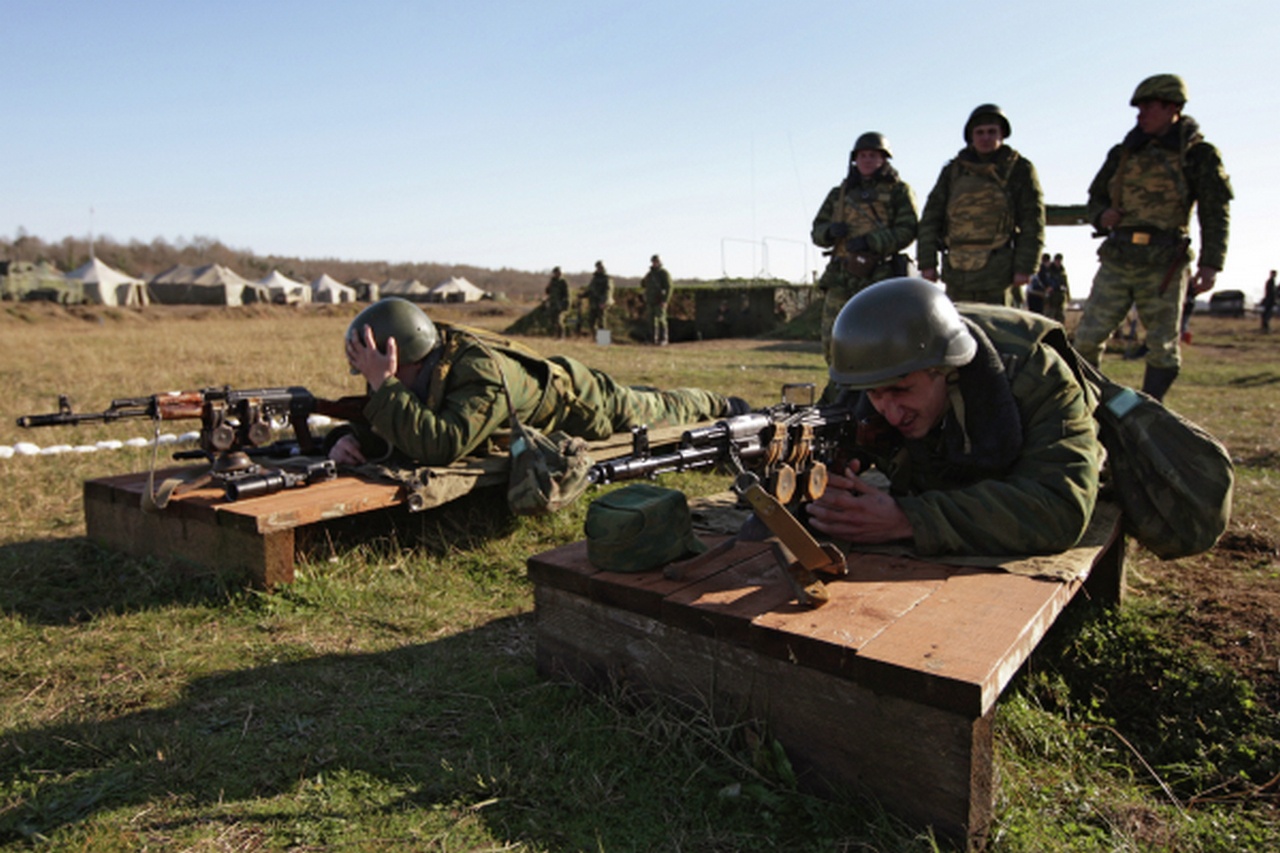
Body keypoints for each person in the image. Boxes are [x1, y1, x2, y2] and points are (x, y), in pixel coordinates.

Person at [805, 277, 1102, 557]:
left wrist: (908, 520)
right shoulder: (863, 375)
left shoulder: (1038, 379)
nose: (891, 413)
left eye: (902, 390)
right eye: (876, 396)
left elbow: (1060, 507)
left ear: (947, 370)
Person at [327, 297, 748, 467]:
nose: (374, 382)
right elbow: (389, 415)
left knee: (660, 411)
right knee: (645, 397)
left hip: (583, 403)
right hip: (548, 391)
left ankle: (721, 403)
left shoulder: (479, 373)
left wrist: (385, 385)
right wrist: (351, 438)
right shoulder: (414, 369)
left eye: (378, 372)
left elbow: (442, 444)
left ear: (399, 357)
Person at [1071, 74, 1233, 402]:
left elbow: (1214, 210)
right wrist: (1102, 216)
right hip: (1119, 256)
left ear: (1173, 107)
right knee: (1086, 339)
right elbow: (1095, 198)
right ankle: (1091, 406)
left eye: (1148, 107)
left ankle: (1148, 412)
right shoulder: (1123, 153)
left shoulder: (1197, 154)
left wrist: (1211, 263)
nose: (1140, 115)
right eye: (1139, 108)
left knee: (1162, 347)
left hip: (1165, 261)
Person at [916, 104, 1045, 306]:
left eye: (991, 132)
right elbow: (931, 218)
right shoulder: (953, 172)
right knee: (958, 331)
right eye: (980, 132)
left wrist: (1025, 266)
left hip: (1000, 273)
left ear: (1002, 135)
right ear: (971, 136)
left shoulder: (1018, 169)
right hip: (957, 272)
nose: (985, 138)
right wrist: (927, 263)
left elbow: (1032, 220)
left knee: (1001, 332)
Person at [810, 131, 918, 363]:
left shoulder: (898, 191)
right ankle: (837, 390)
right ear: (855, 159)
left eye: (873, 155)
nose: (867, 160)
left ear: (884, 159)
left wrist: (872, 242)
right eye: (863, 155)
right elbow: (817, 231)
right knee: (833, 340)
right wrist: (830, 232)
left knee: (879, 338)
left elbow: (908, 229)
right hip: (842, 275)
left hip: (879, 276)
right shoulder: (839, 194)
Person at [641, 254, 673, 345]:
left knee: (661, 319)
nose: (655, 263)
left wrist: (665, 300)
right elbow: (644, 284)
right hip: (650, 300)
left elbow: (669, 287)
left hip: (660, 300)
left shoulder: (664, 273)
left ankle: (663, 339)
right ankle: (652, 339)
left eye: (656, 262)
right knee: (651, 320)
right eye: (653, 262)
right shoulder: (650, 274)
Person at [585, 260, 614, 334]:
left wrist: (603, 302)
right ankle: (596, 339)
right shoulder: (594, 278)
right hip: (593, 303)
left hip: (601, 304)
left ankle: (603, 341)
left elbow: (608, 292)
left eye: (600, 267)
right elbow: (590, 290)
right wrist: (582, 295)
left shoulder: (606, 279)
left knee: (601, 323)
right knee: (591, 322)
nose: (599, 269)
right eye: (597, 267)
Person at [544, 266, 570, 339]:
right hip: (552, 304)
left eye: (558, 272)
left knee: (559, 320)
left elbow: (567, 295)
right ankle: (555, 336)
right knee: (553, 320)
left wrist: (565, 305)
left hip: (559, 304)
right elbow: (547, 292)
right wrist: (548, 286)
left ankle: (561, 337)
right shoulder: (552, 281)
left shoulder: (563, 282)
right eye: (555, 273)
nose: (557, 274)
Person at [1045, 252, 1070, 323]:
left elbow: (1066, 284)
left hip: (1060, 297)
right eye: (1057, 260)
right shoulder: (1049, 270)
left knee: (1060, 317)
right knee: (1049, 316)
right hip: (1050, 297)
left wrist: (1068, 296)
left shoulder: (1062, 271)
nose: (1058, 262)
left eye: (1060, 260)